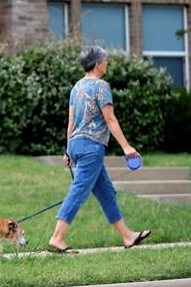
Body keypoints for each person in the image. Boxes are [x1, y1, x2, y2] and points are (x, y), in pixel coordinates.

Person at [48, 46, 150, 254]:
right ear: (97, 64)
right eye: (105, 60)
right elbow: (110, 119)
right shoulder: (101, 86)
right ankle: (57, 237)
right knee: (79, 190)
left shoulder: (76, 87)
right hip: (91, 146)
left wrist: (68, 150)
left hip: (76, 144)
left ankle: (127, 236)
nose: (107, 63)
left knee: (106, 192)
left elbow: (71, 121)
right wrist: (127, 147)